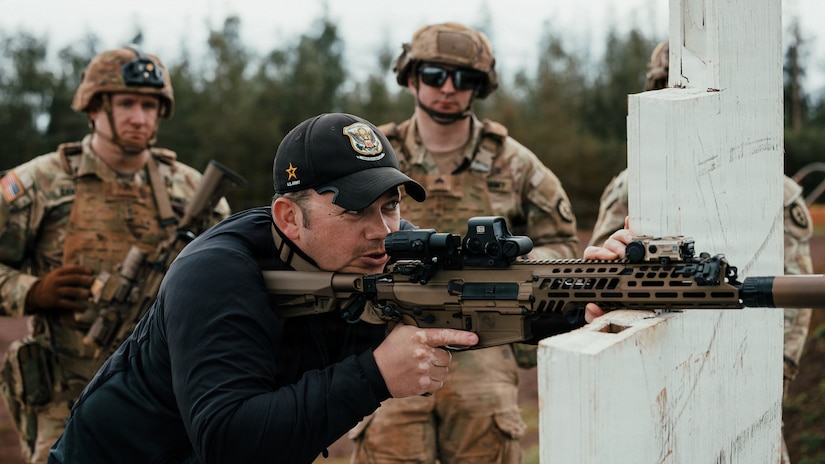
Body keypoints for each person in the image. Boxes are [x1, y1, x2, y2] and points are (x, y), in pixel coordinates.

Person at [46, 112, 605, 463]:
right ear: (290, 217)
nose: (384, 231)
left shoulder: (390, 247)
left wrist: (592, 291)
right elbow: (227, 441)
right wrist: (376, 376)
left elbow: (487, 293)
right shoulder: (216, 271)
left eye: (390, 207)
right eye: (359, 209)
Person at [348, 22, 580, 464]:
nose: (448, 89)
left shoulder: (515, 163)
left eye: (465, 78)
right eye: (435, 75)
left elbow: (561, 244)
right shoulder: (372, 155)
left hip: (482, 343)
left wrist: (514, 265)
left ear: (481, 86)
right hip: (385, 337)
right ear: (412, 77)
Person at [0, 46, 231, 464]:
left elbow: (233, 280)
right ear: (93, 108)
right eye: (126, 103)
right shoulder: (39, 183)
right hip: (64, 398)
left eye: (149, 105)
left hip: (164, 394)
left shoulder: (191, 190)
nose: (139, 118)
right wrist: (31, 292)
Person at [588, 39, 815, 464]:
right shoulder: (631, 183)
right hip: (654, 372)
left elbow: (796, 296)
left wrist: (777, 372)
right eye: (665, 89)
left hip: (745, 372)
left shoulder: (771, 188)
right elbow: (595, 274)